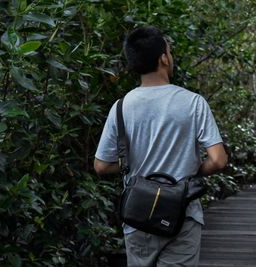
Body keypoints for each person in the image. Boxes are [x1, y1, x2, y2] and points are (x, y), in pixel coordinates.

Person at [94, 26, 227, 267]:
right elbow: (218, 160)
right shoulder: (193, 103)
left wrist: (129, 166)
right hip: (182, 213)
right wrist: (192, 171)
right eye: (169, 51)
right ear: (164, 58)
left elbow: (102, 166)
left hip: (138, 214)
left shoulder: (121, 107)